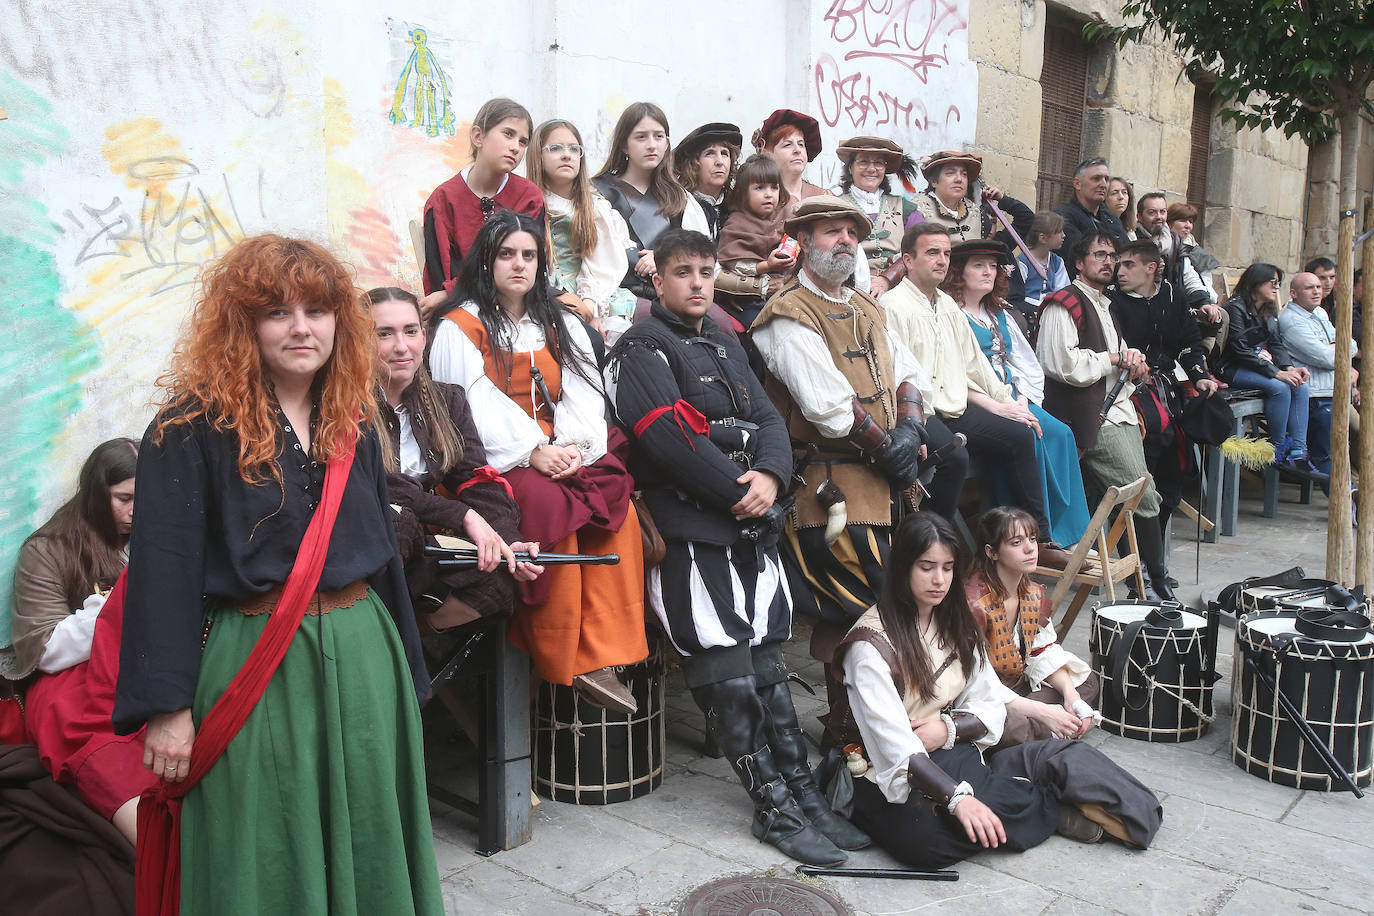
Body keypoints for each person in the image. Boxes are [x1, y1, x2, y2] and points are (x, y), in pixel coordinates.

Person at [113, 235, 443, 913]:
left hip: (363, 655)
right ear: (243, 325)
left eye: (317, 311)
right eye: (278, 312)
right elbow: (161, 574)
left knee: (369, 833)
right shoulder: (186, 429)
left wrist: (407, 673)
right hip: (253, 663)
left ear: (338, 323)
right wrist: (168, 709)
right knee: (261, 840)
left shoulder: (353, 413)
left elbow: (379, 550)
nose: (301, 328)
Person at [606, 228, 869, 865]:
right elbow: (667, 441)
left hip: (753, 527)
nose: (697, 283)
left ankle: (802, 794)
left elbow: (771, 422)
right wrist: (738, 486)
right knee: (724, 672)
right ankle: (771, 805)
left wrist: (772, 477)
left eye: (705, 271)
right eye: (683, 272)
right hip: (693, 529)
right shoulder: (641, 349)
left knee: (769, 669)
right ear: (658, 280)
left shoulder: (726, 340)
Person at [829, 512, 1157, 867]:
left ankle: (1022, 795)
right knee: (922, 842)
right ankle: (1027, 797)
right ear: (903, 568)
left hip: (948, 747)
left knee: (972, 807)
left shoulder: (954, 622)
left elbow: (988, 699)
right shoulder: (869, 647)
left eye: (948, 567)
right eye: (927, 567)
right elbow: (894, 747)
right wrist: (958, 799)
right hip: (880, 769)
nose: (939, 579)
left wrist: (948, 728)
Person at [428, 211, 647, 712]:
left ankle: (610, 649)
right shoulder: (458, 327)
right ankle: (566, 649)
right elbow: (470, 403)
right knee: (554, 509)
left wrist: (572, 448)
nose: (519, 264)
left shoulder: (560, 319)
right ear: (486, 260)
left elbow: (583, 391)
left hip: (561, 449)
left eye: (529, 255)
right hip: (494, 459)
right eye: (506, 254)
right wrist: (531, 450)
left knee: (617, 503)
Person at [750, 194, 942, 724]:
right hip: (827, 490)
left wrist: (909, 428)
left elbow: (910, 373)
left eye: (852, 234)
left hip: (886, 480)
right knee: (871, 603)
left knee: (901, 597)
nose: (845, 242)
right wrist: (893, 450)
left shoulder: (867, 306)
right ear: (805, 243)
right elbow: (827, 407)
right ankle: (851, 730)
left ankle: (880, 723)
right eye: (832, 232)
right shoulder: (786, 315)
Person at [880, 226, 1068, 560]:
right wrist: (911, 426)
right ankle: (932, 546)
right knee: (954, 458)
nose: (942, 260)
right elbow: (895, 374)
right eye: (932, 253)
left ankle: (1037, 540)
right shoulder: (894, 306)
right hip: (921, 412)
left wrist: (1010, 405)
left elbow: (976, 365)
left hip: (954, 409)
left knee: (1021, 434)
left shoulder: (949, 307)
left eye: (946, 254)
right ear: (908, 260)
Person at [6, 438, 157, 844]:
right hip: (72, 683)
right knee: (107, 750)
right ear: (96, 493)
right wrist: (118, 605)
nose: (136, 510)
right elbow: (45, 650)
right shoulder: (48, 549)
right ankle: (155, 854)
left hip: (144, 666)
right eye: (123, 498)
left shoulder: (163, 532)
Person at [369, 286, 541, 637]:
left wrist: (505, 539)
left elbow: (477, 479)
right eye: (383, 334)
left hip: (419, 550)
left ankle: (410, 641)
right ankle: (381, 650)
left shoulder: (447, 401)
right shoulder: (342, 404)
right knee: (396, 524)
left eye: (410, 331)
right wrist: (462, 515)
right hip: (367, 540)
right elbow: (379, 482)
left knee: (498, 577)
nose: (401, 347)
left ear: (424, 336)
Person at [1036, 232, 1176, 600]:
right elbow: (1060, 364)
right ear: (1079, 263)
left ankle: (1141, 581)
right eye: (1099, 254)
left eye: (1112, 256)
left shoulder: (1104, 304)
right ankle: (1153, 582)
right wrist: (1114, 359)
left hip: (1117, 409)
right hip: (1089, 417)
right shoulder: (1063, 303)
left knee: (1128, 499)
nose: (1109, 262)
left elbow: (1112, 354)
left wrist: (1133, 360)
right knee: (1142, 496)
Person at [941, 238, 1091, 551]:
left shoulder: (1000, 314)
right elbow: (951, 373)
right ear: (959, 272)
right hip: (978, 401)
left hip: (1013, 397)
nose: (988, 272)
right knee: (1029, 434)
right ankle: (1034, 536)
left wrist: (1022, 398)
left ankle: (1073, 533)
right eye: (978, 265)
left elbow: (1025, 364)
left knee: (1062, 434)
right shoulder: (951, 314)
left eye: (993, 266)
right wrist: (1001, 406)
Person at [1109, 239, 1223, 535]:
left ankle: (1153, 556)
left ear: (1151, 268)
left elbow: (1189, 343)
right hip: (1127, 392)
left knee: (1174, 471)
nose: (1119, 271)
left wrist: (1200, 375)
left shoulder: (1173, 295)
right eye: (1119, 264)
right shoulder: (1111, 300)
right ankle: (1132, 554)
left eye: (1128, 265)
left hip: (1168, 389)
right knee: (1142, 468)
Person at [966, 506, 1100, 748]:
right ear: (992, 552)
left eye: (1033, 539)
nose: (1030, 548)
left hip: (1019, 689)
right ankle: (1051, 729)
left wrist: (1071, 697)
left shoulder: (1030, 593)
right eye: (1016, 542)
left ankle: (1052, 725)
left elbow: (1042, 651)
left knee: (1086, 681)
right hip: (982, 697)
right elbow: (974, 683)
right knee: (1009, 725)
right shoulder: (973, 603)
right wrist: (1042, 711)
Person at [422, 98, 545, 314]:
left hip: (519, 305)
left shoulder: (529, 197)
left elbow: (531, 266)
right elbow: (439, 274)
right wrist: (451, 293)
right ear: (478, 136)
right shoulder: (444, 200)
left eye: (523, 141)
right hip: (462, 308)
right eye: (508, 134)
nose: (515, 147)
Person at [528, 118, 638, 339]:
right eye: (555, 148)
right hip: (547, 294)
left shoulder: (594, 207)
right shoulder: (529, 203)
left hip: (595, 293)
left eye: (574, 148)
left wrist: (590, 305)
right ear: (538, 155)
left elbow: (604, 261)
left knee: (615, 335)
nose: (566, 154)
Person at [592, 102, 710, 304]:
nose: (652, 145)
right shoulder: (598, 193)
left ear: (667, 143)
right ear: (624, 145)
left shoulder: (681, 199)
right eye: (641, 137)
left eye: (658, 136)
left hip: (675, 296)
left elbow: (704, 254)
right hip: (621, 298)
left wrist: (665, 258)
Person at [753, 109, 874, 293]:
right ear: (766, 151)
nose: (797, 150)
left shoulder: (825, 196)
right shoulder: (754, 198)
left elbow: (854, 255)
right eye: (787, 145)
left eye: (801, 144)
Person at [1215, 263, 1316, 476]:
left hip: (1259, 365)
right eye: (1273, 282)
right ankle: (1276, 451)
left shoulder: (1268, 309)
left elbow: (1277, 344)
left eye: (1278, 282)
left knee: (1300, 387)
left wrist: (1290, 368)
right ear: (1256, 282)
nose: (1277, 287)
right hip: (1232, 368)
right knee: (1279, 387)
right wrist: (1277, 373)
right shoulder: (1235, 308)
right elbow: (1240, 350)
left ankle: (1298, 451)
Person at [1279, 271, 1355, 480]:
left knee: (1346, 448)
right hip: (1316, 395)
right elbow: (1329, 358)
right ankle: (1345, 507)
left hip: (1335, 390)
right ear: (1293, 293)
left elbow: (1352, 345)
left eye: (1318, 287)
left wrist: (1337, 348)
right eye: (1309, 288)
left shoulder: (1320, 313)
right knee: (1325, 454)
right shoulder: (1292, 320)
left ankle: (1353, 499)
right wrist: (1336, 348)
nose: (1316, 291)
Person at [714, 153, 794, 331]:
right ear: (743, 193)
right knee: (763, 327)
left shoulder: (787, 216)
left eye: (774, 188)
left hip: (788, 289)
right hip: (750, 298)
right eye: (760, 188)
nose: (768, 195)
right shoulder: (737, 224)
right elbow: (734, 265)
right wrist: (766, 266)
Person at [834, 136, 918, 281]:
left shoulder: (905, 208)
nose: (871, 169)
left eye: (878, 163)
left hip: (899, 284)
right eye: (863, 162)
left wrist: (889, 278)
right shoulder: (835, 206)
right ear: (850, 167)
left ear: (885, 169)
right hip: (847, 284)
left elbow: (920, 249)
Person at [1133, 193, 1216, 307]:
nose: (1159, 216)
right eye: (1152, 212)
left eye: (1163, 212)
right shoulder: (1133, 241)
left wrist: (1203, 302)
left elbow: (1189, 276)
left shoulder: (1176, 241)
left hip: (1175, 304)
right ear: (1139, 216)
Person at [1054, 158, 1129, 274]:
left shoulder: (1111, 218)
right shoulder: (1063, 218)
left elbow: (1128, 254)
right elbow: (1081, 259)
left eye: (1106, 179)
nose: (1104, 184)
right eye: (1096, 179)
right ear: (1077, 184)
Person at [673, 121, 742, 238]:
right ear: (693, 163)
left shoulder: (738, 206)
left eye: (725, 153)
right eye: (710, 153)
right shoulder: (677, 207)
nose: (720, 162)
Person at [1018, 211, 1071, 311]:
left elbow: (1063, 291)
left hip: (1052, 310)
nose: (1064, 235)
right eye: (1059, 232)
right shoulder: (1023, 261)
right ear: (1043, 238)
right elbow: (1018, 293)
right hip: (1028, 310)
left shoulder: (1057, 261)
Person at [1166, 202, 1221, 297]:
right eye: (1183, 220)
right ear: (1169, 223)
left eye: (1190, 221)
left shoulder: (1198, 253)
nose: (1188, 225)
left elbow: (1206, 285)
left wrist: (1205, 301)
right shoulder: (1162, 247)